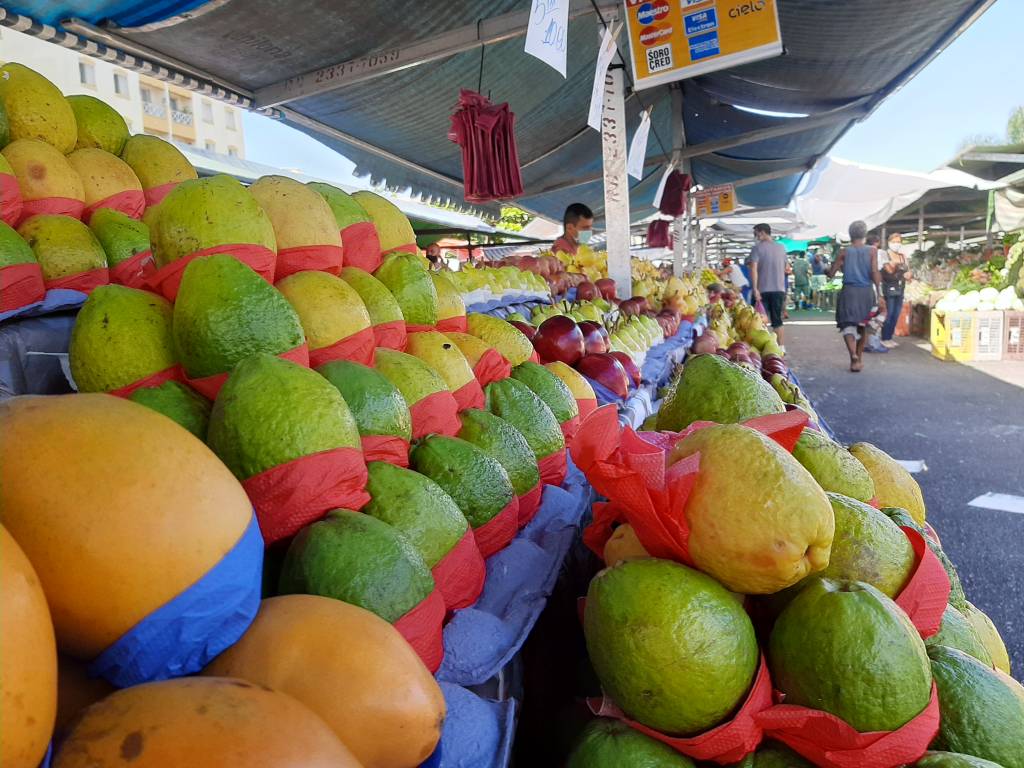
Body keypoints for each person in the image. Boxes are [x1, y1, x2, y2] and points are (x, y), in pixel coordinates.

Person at [828, 220, 885, 372]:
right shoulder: (872, 251)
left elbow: (831, 274)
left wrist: (829, 269)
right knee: (863, 326)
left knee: (847, 325)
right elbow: (874, 272)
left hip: (848, 292)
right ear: (864, 234)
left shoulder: (844, 252)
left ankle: (852, 354)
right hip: (866, 292)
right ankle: (858, 359)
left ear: (850, 234)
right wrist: (879, 293)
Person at [748, 223, 788, 349]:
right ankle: (781, 348)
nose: (755, 236)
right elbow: (786, 268)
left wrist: (755, 288)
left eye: (756, 233)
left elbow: (753, 268)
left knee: (759, 321)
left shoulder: (757, 248)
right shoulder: (781, 247)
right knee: (777, 321)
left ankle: (762, 347)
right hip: (779, 289)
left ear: (762, 232)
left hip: (762, 290)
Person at [880, 233, 911, 347]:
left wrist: (908, 274)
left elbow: (908, 271)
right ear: (889, 242)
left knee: (896, 314)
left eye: (899, 242)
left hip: (900, 287)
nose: (897, 244)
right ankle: (884, 337)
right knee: (889, 313)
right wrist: (897, 265)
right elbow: (888, 270)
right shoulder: (885, 255)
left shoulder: (903, 256)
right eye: (894, 242)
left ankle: (889, 337)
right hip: (888, 287)